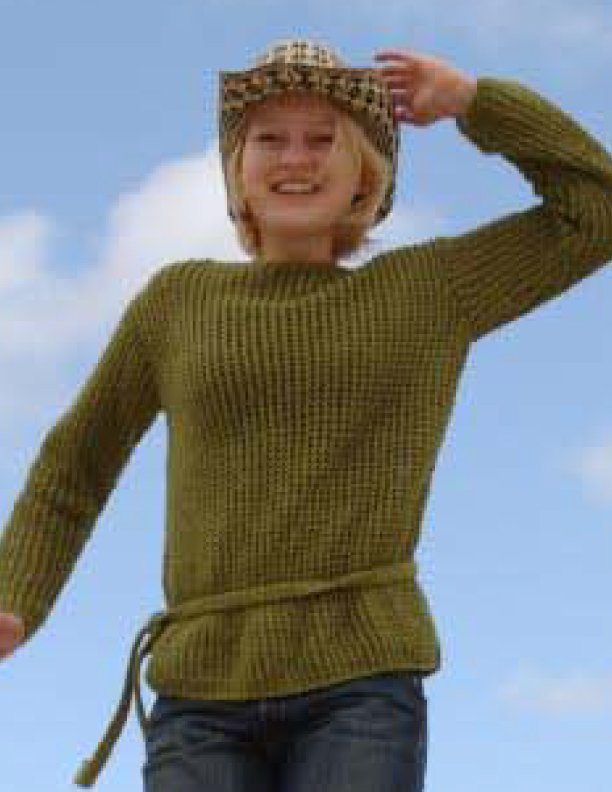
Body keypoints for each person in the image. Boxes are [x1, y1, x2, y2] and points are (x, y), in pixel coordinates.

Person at [0, 37, 611, 792]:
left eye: (323, 139)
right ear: (238, 168)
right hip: (200, 696)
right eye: (270, 139)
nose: (296, 159)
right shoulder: (176, 303)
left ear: (364, 174)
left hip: (361, 687)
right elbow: (76, 463)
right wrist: (17, 597)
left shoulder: (429, 292)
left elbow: (596, 212)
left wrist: (474, 104)